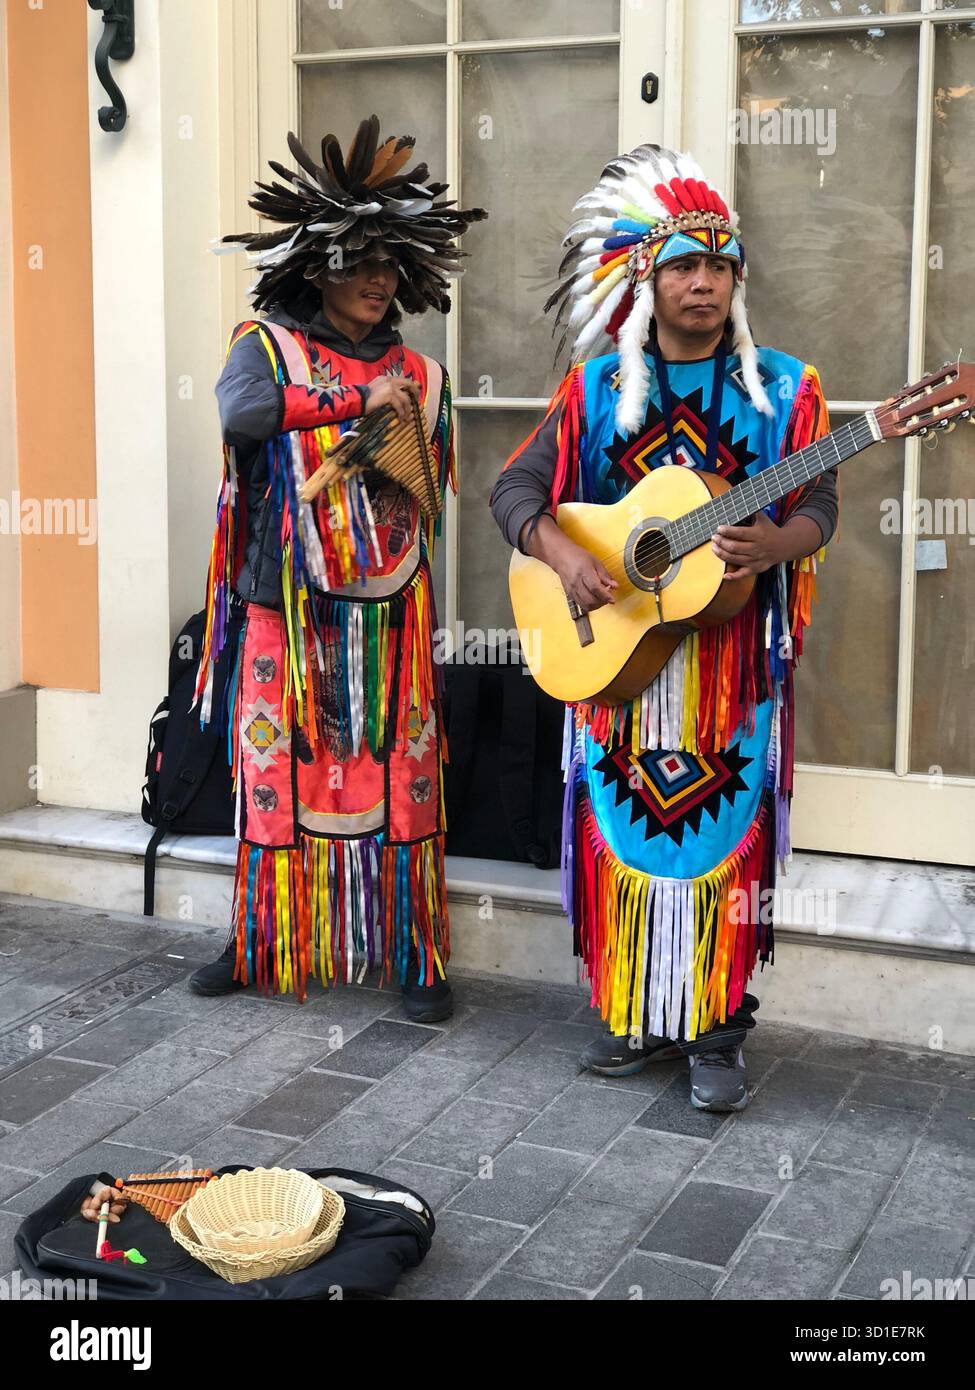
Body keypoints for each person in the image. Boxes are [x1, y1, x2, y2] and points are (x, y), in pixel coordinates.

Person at [490, 145, 837, 1109]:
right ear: (647, 277)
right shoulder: (595, 388)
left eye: (719, 267)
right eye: (685, 265)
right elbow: (515, 488)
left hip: (726, 673)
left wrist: (778, 543)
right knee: (627, 839)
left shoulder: (782, 390)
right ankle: (639, 1010)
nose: (703, 283)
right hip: (619, 660)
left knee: (720, 842)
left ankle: (716, 1026)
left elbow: (823, 508)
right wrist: (563, 554)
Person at [188, 117, 486, 1021]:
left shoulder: (425, 375)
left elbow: (433, 486)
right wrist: (358, 398)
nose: (375, 280)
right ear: (315, 266)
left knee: (404, 775)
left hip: (390, 612)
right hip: (283, 601)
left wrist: (394, 442)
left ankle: (417, 954)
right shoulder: (263, 346)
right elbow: (241, 417)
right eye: (357, 262)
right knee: (278, 771)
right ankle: (259, 939)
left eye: (389, 265)